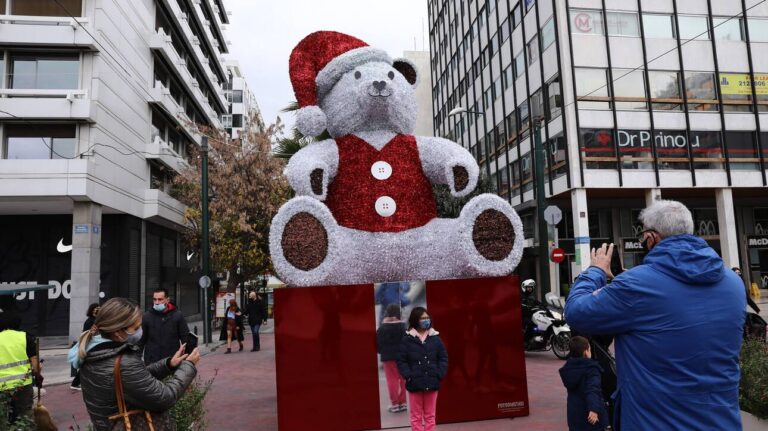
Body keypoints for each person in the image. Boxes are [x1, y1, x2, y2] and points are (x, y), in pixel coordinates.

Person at [565, 200, 745, 430]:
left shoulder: (636, 286)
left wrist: (596, 271)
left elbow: (576, 312)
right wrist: (626, 282)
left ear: (651, 237)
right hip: (723, 422)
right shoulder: (733, 283)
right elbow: (674, 300)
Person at [68, 297, 199, 431]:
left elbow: (136, 379)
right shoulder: (123, 362)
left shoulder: (89, 353)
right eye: (135, 328)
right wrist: (188, 365)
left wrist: (169, 364)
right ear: (117, 332)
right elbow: (164, 398)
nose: (139, 332)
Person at [397, 307, 448, 431]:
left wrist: (438, 374)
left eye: (427, 318)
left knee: (430, 416)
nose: (426, 320)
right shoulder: (407, 339)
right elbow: (401, 360)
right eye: (423, 318)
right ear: (415, 320)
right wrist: (408, 376)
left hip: (432, 382)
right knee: (416, 417)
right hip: (414, 383)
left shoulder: (435, 338)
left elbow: (443, 358)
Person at [559, 336, 609, 431]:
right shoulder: (592, 369)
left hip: (574, 414)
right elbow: (593, 389)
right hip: (590, 415)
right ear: (586, 352)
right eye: (589, 349)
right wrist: (594, 409)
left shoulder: (568, 369)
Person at [0, 311, 40, 424]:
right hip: (23, 385)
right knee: (25, 414)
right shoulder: (25, 337)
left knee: (4, 417)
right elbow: (36, 366)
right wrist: (37, 375)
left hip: (1, 387)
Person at [141, 288, 190, 365]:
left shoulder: (177, 315)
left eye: (160, 299)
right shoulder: (147, 316)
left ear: (167, 300)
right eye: (154, 299)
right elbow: (141, 341)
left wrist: (188, 360)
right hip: (152, 362)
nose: (157, 302)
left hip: (171, 362)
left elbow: (185, 339)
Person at [377, 304, 407, 413]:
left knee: (391, 380)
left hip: (388, 358)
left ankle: (394, 404)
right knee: (403, 379)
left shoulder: (382, 329)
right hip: (402, 357)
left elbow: (378, 345)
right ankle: (403, 402)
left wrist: (382, 352)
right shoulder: (403, 327)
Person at [71, 303, 100, 390]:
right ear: (92, 311)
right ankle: (75, 383)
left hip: (95, 345)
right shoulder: (89, 321)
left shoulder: (97, 321)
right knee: (86, 365)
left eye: (99, 309)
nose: (97, 311)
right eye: (96, 309)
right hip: (90, 346)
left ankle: (81, 383)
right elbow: (86, 334)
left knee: (91, 365)